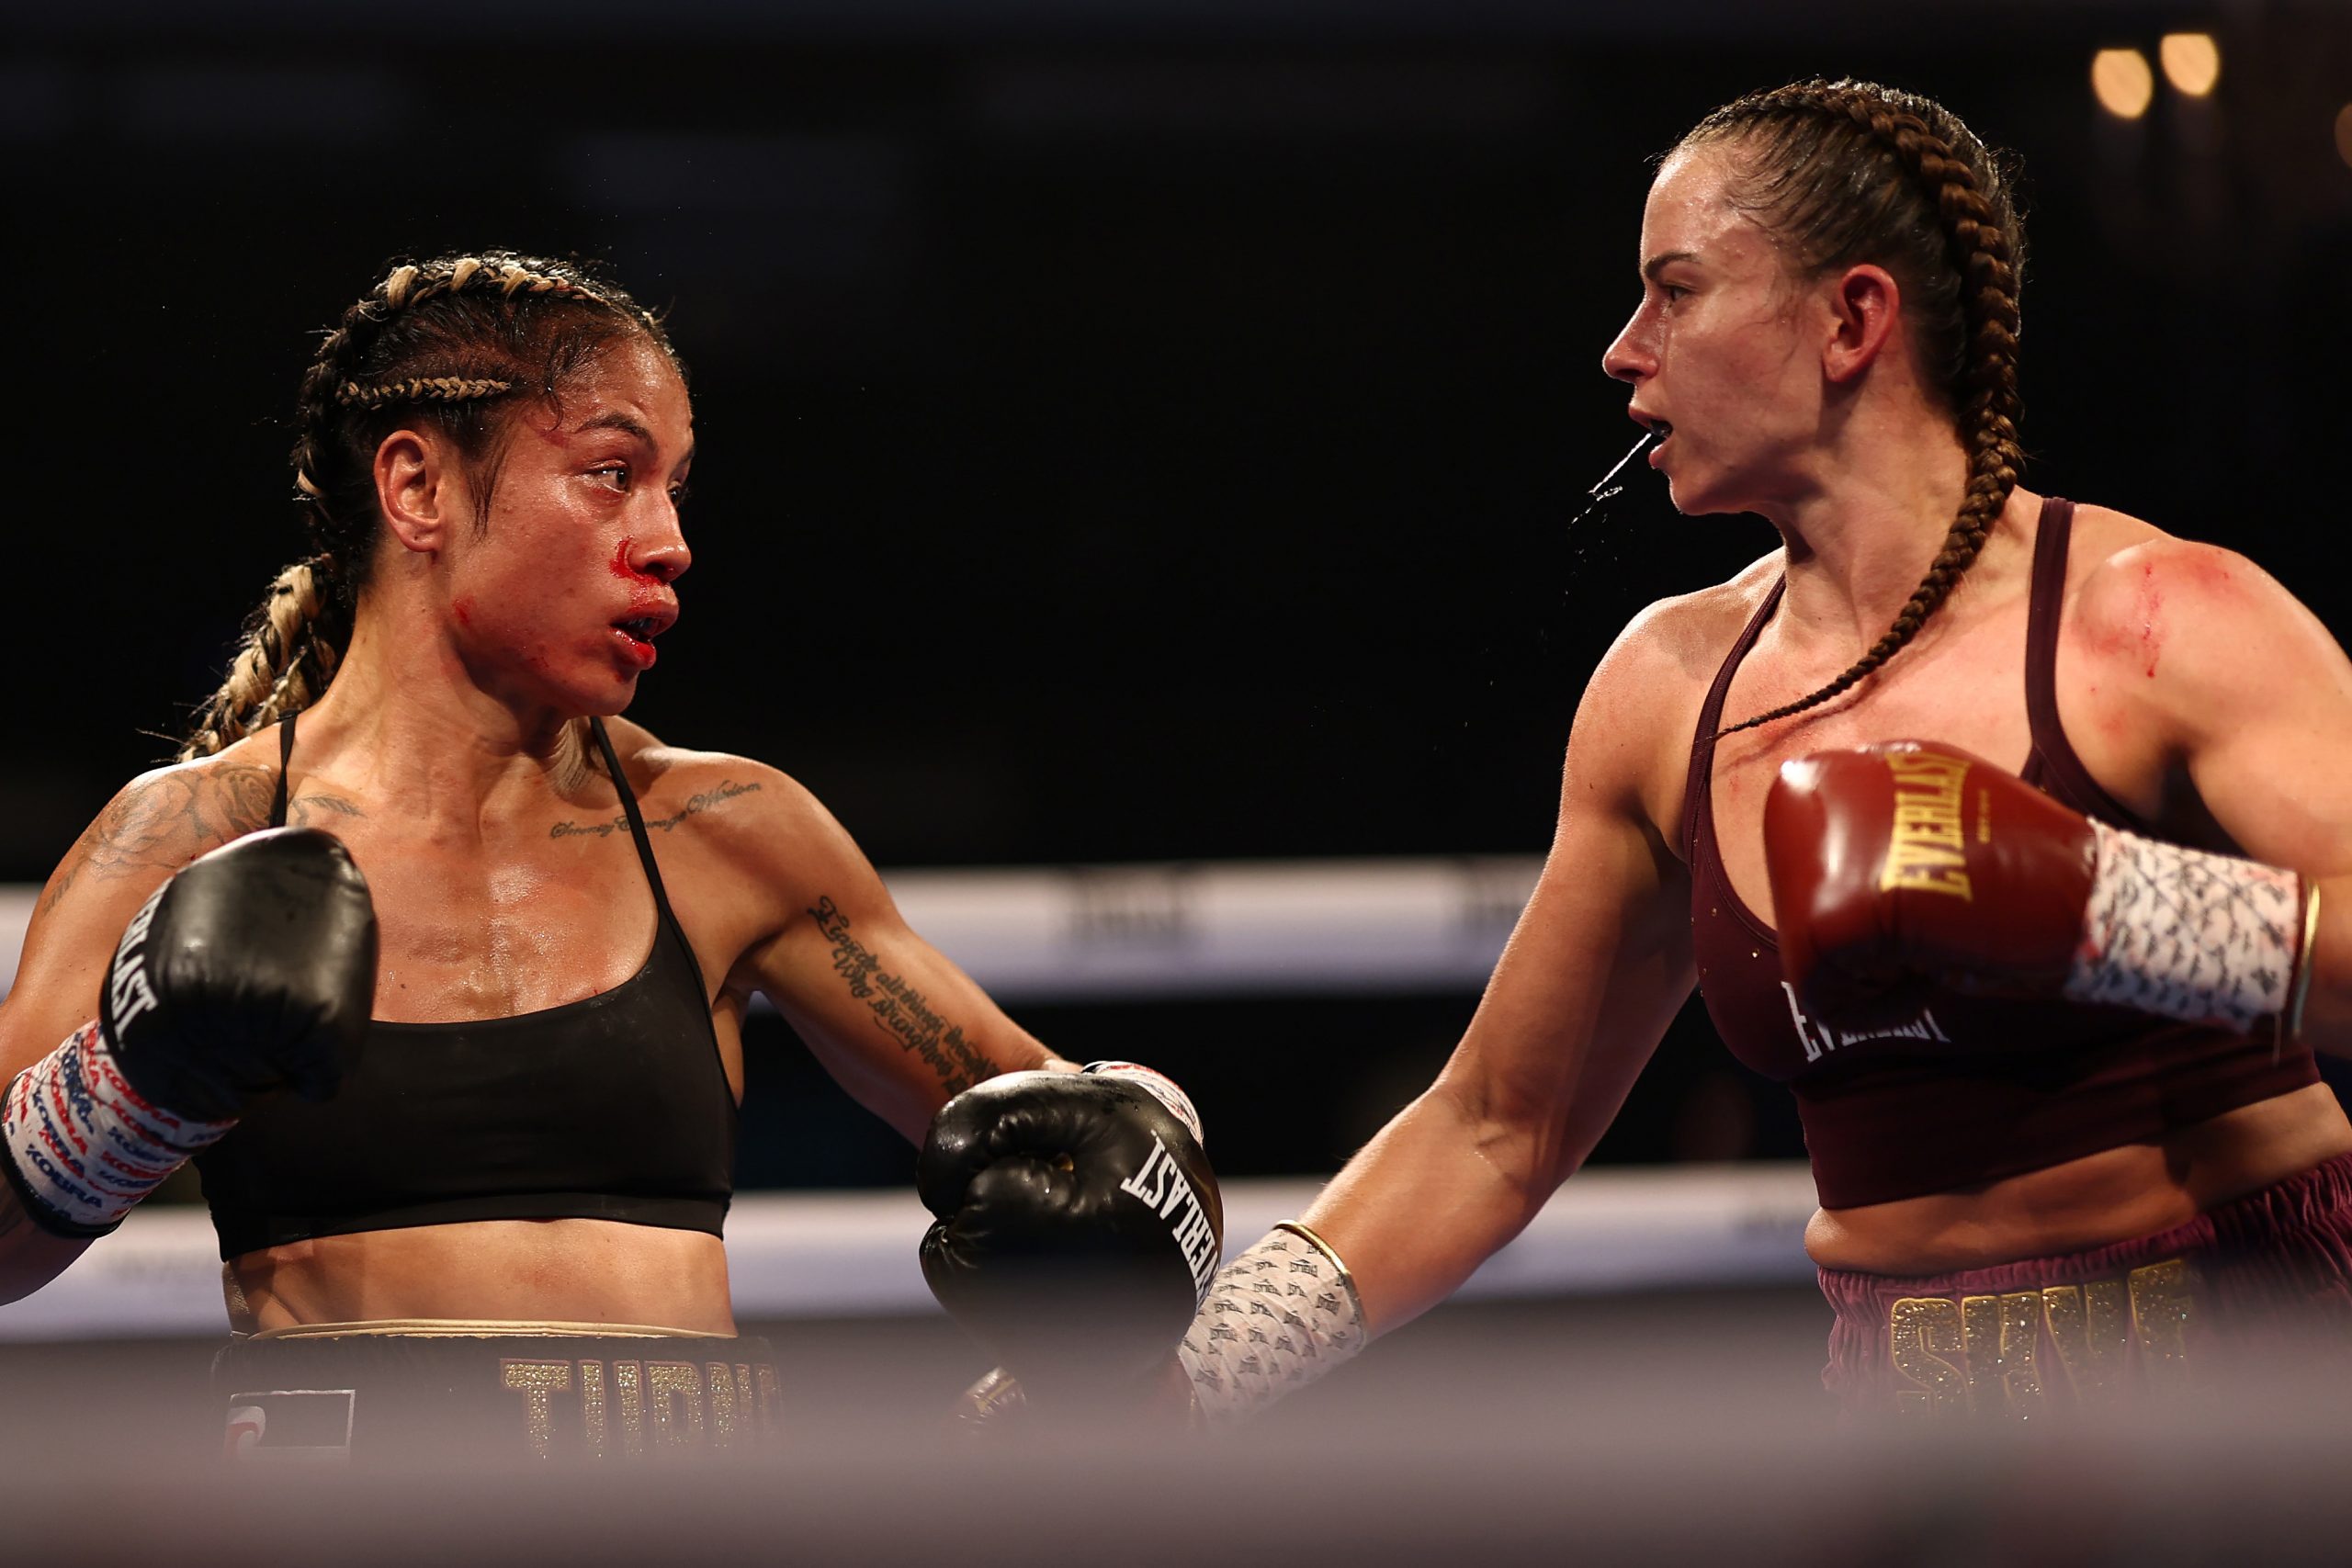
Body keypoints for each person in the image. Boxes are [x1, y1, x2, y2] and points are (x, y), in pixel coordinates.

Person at [1158, 78, 2352, 1427]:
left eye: (1675, 291)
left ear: (1852, 320)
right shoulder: (1669, 688)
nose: (1623, 348)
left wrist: (2100, 906)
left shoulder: (2153, 619)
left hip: (2255, 1366)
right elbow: (1496, 1124)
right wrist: (1197, 1375)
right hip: (1914, 1411)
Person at [0, 252, 1215, 1461]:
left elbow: (1107, 1158)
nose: (670, 540)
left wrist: (1135, 1232)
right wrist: (132, 1085)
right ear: (418, 487)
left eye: (674, 488)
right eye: (611, 475)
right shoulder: (188, 836)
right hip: (346, 1530)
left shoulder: (727, 834)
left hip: (687, 1528)